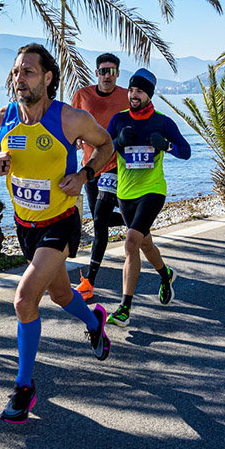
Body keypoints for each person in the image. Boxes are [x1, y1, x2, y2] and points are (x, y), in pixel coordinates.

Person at [0, 43, 114, 423]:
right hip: (25, 226)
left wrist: (85, 174)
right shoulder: (0, 119)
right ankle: (93, 322)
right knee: (59, 293)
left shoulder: (69, 119)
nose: (19, 79)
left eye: (29, 72)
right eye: (17, 72)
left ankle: (24, 387)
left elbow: (106, 145)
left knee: (24, 300)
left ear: (48, 77)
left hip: (60, 222)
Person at [102, 69, 191, 326]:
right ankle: (166, 275)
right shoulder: (118, 120)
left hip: (153, 191)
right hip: (125, 194)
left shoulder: (163, 122)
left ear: (149, 95)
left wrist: (167, 145)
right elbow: (104, 152)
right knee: (145, 244)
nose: (133, 95)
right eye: (130, 90)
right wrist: (117, 142)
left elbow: (185, 152)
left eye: (139, 91)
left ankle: (124, 308)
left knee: (131, 242)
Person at [70, 53, 129, 301]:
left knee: (99, 221)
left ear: (117, 73)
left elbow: (142, 118)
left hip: (115, 166)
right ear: (97, 73)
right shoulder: (83, 96)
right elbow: (70, 124)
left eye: (112, 71)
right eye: (103, 70)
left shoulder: (127, 95)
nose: (107, 75)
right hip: (89, 168)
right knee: (99, 218)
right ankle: (134, 220)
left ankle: (89, 281)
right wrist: (74, 139)